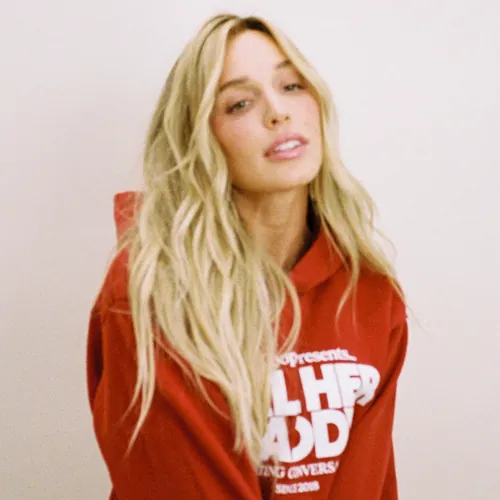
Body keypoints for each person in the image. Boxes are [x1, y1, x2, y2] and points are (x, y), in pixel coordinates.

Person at [86, 13, 408, 500]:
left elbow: (368, 483)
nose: (278, 112)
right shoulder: (155, 288)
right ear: (200, 138)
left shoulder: (369, 291)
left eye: (292, 85)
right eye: (239, 103)